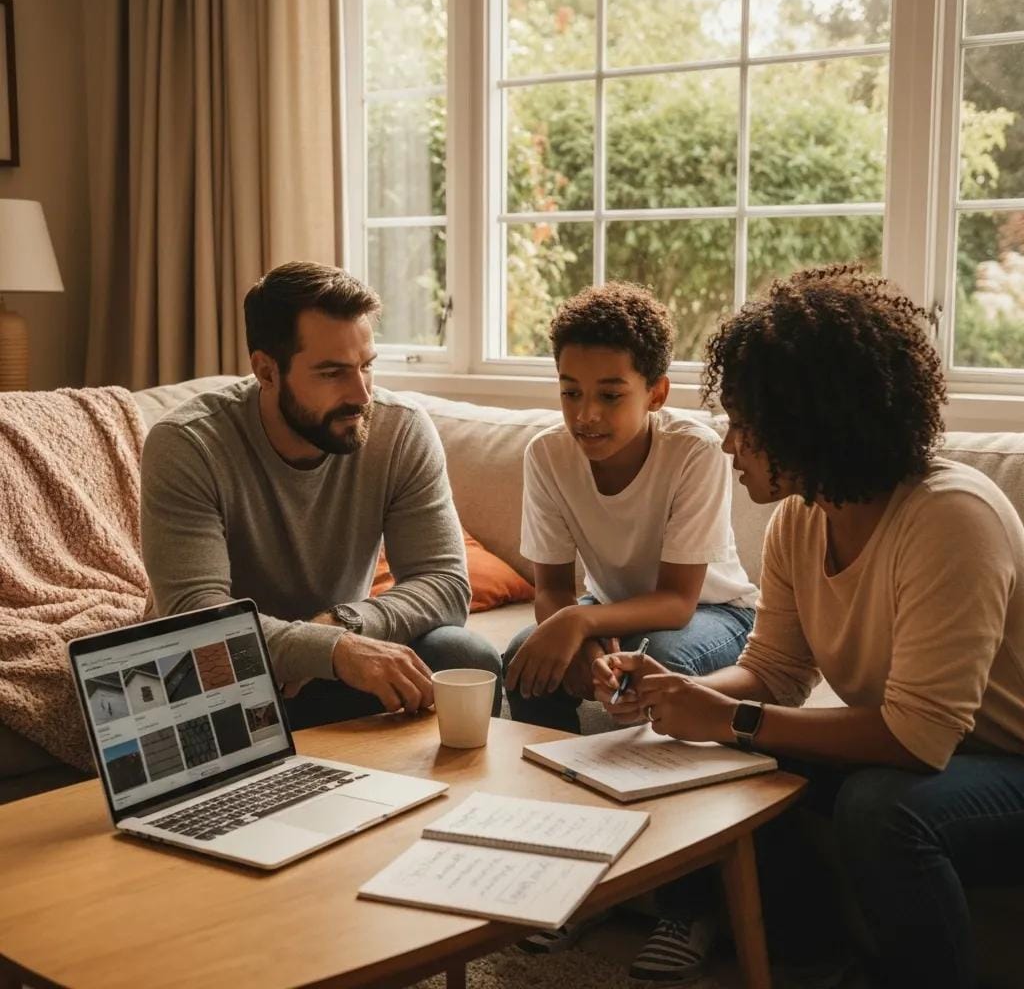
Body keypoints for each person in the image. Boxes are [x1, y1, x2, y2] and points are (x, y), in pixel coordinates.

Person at [595, 265, 1024, 989]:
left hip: (1006, 764)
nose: (729, 445)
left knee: (880, 810)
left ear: (809, 422)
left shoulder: (951, 517)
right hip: (936, 755)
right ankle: (813, 955)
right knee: (727, 759)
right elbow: (775, 671)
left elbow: (917, 739)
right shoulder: (800, 519)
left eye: (744, 424)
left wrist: (732, 717)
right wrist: (677, 692)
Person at [503, 281, 757, 975]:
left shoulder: (694, 452)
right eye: (569, 391)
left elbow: (678, 600)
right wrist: (575, 638)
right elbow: (551, 588)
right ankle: (570, 871)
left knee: (664, 663)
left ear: (657, 393)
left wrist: (582, 622)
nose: (585, 414)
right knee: (527, 659)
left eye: (610, 394)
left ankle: (690, 903)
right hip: (610, 612)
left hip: (714, 616)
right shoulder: (546, 456)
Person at [141, 261, 501, 727]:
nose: (361, 395)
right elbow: (196, 620)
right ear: (266, 372)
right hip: (226, 673)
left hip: (337, 664)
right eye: (332, 373)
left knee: (463, 655)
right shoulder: (188, 444)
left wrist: (342, 628)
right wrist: (331, 649)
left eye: (366, 367)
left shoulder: (400, 431)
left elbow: (445, 584)